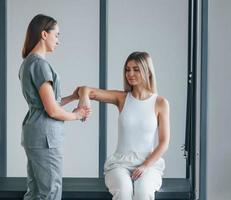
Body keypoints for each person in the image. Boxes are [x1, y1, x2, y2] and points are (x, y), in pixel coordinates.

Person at [78, 51, 170, 200]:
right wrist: (84, 99)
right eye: (127, 69)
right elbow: (85, 89)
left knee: (143, 192)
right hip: (120, 163)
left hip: (149, 163)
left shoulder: (160, 103)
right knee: (124, 191)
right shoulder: (121, 98)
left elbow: (164, 142)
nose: (130, 73)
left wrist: (146, 165)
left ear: (147, 71)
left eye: (136, 69)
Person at [19, 14, 90, 200]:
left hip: (34, 133)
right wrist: (77, 114)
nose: (58, 41)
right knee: (50, 192)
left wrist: (72, 97)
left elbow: (45, 103)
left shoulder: (27, 63)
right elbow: (52, 110)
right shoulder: (40, 65)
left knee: (35, 192)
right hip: (45, 138)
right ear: (44, 34)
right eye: (56, 35)